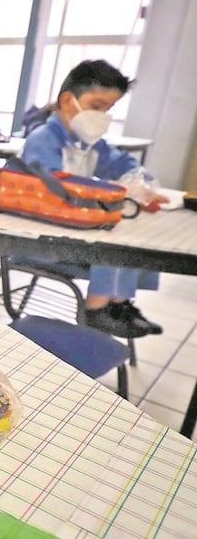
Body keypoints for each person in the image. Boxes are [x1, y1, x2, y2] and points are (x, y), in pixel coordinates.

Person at [19, 59, 163, 339]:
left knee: (133, 237)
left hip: (71, 227)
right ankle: (96, 310)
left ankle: (118, 304)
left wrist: (143, 184)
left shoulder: (89, 144)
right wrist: (103, 191)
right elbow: (52, 188)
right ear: (67, 101)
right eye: (96, 106)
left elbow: (124, 165)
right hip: (37, 236)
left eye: (108, 109)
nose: (102, 115)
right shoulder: (43, 139)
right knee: (114, 241)